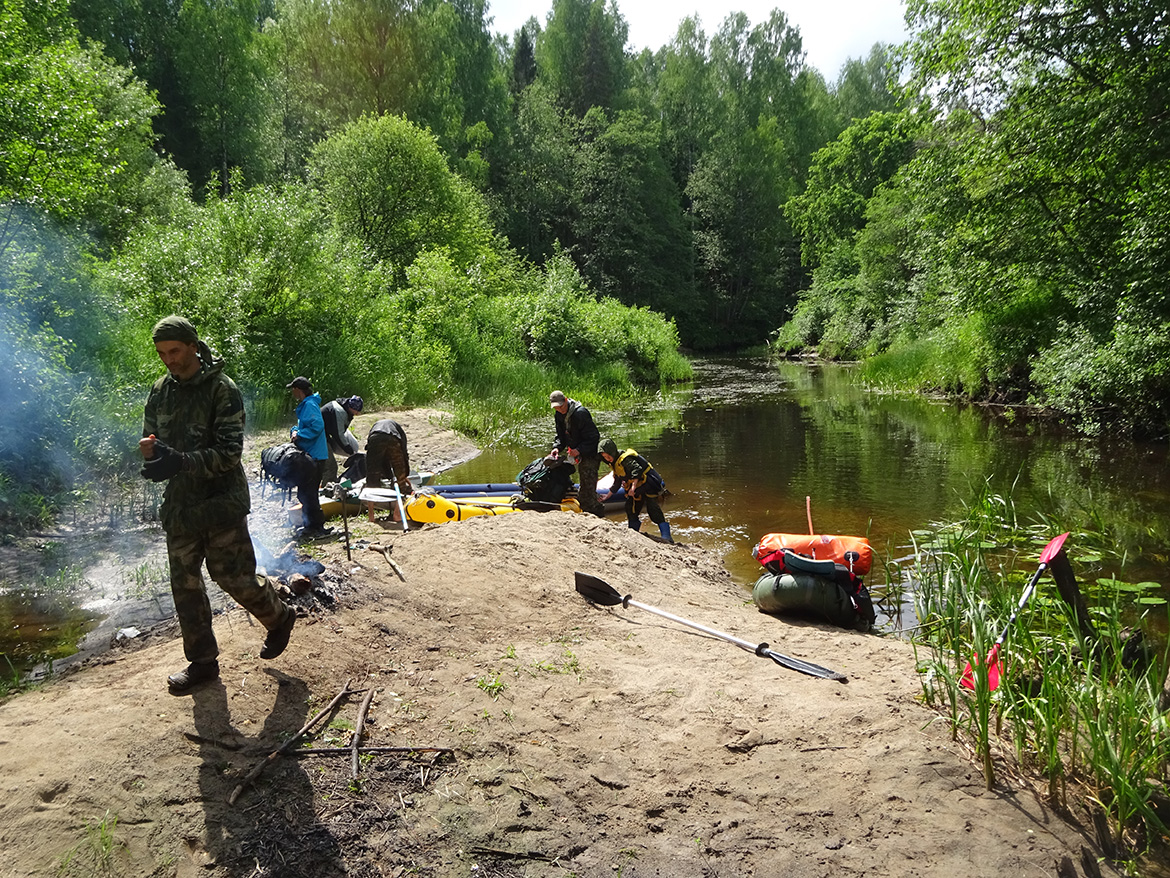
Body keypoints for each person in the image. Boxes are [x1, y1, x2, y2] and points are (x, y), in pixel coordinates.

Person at [140, 316, 296, 695]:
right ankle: (203, 663)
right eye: (162, 354)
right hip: (181, 505)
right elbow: (152, 438)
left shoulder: (222, 390)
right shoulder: (160, 391)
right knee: (185, 584)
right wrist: (154, 458)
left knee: (233, 578)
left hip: (221, 501)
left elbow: (229, 453)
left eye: (175, 351)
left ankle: (279, 617)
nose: (169, 360)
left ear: (193, 347)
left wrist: (181, 461)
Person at [599, 438, 672, 543]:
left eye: (608, 456)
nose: (608, 459)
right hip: (637, 488)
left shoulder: (625, 460)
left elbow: (637, 470)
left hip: (649, 485)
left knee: (653, 509)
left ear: (612, 452)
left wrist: (633, 487)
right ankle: (633, 532)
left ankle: (667, 536)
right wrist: (608, 495)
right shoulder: (615, 464)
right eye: (605, 457)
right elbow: (617, 482)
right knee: (630, 508)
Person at [287, 376, 331, 538]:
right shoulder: (307, 404)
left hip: (315, 456)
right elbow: (302, 425)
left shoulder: (310, 405)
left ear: (298, 389)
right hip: (310, 456)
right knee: (305, 493)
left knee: (308, 493)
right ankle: (312, 525)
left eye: (293, 389)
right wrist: (295, 431)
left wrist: (300, 435)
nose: (292, 392)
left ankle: (316, 528)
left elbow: (317, 426)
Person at [549, 390, 603, 516]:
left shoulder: (580, 413)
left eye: (561, 406)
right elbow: (561, 436)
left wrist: (579, 450)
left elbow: (594, 437)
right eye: (556, 408)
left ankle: (598, 514)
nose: (560, 410)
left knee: (587, 491)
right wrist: (557, 448)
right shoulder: (558, 415)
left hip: (590, 453)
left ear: (566, 400)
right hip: (575, 452)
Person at [320, 394, 363, 484]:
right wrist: (348, 449)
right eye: (356, 411)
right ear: (352, 407)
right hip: (318, 436)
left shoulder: (345, 407)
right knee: (331, 467)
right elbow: (338, 434)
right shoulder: (339, 411)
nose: (357, 414)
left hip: (325, 434)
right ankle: (328, 489)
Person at [365, 418, 412, 496]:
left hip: (375, 438)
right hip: (393, 438)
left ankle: (373, 494)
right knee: (398, 465)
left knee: (373, 471)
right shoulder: (398, 430)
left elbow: (373, 460)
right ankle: (402, 490)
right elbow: (403, 454)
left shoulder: (375, 428)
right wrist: (403, 475)